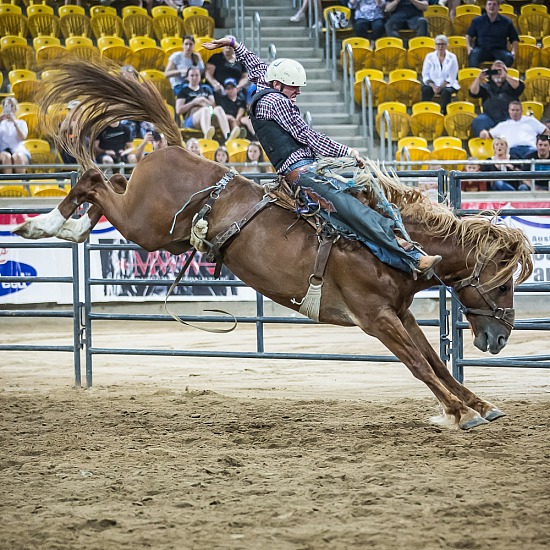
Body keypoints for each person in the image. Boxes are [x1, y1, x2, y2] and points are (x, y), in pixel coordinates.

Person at [202, 37, 442, 278]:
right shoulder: (278, 102)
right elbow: (307, 135)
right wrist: (347, 152)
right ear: (278, 84)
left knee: (359, 204)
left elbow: (256, 66)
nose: (298, 91)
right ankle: (412, 258)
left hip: (303, 171)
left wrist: (234, 44)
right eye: (293, 87)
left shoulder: (267, 89)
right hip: (303, 174)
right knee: (355, 212)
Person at [176, 67, 239, 141]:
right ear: (187, 77)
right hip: (192, 118)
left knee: (218, 108)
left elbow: (213, 105)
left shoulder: (206, 88)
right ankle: (207, 136)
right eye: (192, 76)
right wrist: (193, 102)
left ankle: (227, 136)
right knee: (205, 110)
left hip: (208, 115)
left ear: (200, 77)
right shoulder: (184, 91)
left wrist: (204, 101)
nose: (194, 78)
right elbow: (178, 110)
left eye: (197, 75)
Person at [469, 60, 524, 137]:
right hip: (489, 117)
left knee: (516, 122)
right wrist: (478, 78)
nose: (497, 74)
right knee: (478, 120)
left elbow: (520, 86)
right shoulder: (486, 86)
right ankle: (484, 137)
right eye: (495, 71)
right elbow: (473, 92)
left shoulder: (511, 85)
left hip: (508, 117)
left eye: (500, 71)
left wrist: (506, 76)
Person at [480, 101, 550, 159]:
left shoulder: (531, 120)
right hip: (512, 151)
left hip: (530, 149)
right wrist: (484, 132)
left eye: (517, 110)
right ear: (509, 111)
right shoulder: (503, 125)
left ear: (522, 111)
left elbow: (546, 132)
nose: (515, 112)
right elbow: (489, 134)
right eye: (513, 110)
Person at [466, 0, 518, 68]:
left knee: (508, 57)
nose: (491, 6)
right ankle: (475, 77)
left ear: (498, 6)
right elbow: (468, 36)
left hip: (499, 50)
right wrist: (469, 47)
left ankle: (500, 77)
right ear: (486, 7)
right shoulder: (477, 21)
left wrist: (514, 51)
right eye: (489, 4)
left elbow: (514, 38)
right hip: (481, 49)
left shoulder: (507, 22)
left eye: (494, 4)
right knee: (473, 55)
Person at [421, 34, 459, 115]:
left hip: (447, 84)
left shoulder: (452, 57)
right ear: (435, 45)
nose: (440, 47)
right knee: (425, 89)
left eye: (442, 44)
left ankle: (443, 112)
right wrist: (433, 85)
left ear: (447, 45)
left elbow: (452, 76)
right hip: (432, 84)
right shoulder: (429, 57)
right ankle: (426, 111)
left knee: (446, 91)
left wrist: (441, 86)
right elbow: (425, 74)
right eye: (438, 44)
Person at [0, 97, 30, 174]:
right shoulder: (1, 123)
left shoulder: (21, 123)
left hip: (19, 150)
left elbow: (22, 137)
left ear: (15, 108)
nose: (9, 108)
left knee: (17, 157)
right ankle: (9, 184)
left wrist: (14, 122)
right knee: (7, 157)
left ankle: (21, 184)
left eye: (11, 105)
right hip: (3, 151)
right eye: (6, 106)